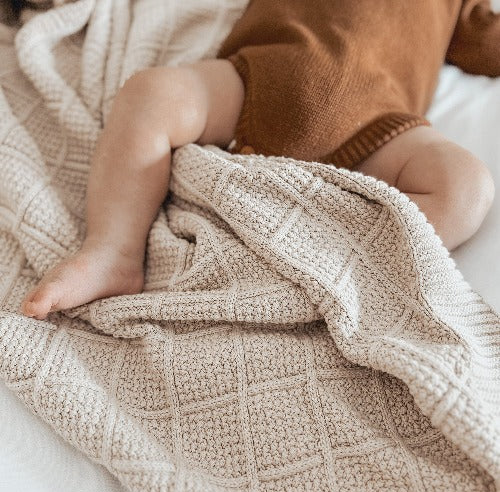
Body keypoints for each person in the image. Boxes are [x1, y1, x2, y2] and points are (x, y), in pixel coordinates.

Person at [21, 0, 498, 320]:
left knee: (466, 187)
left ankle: (340, 271)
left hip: (376, 124)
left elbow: (486, 43)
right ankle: (114, 251)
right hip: (260, 80)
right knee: (150, 95)